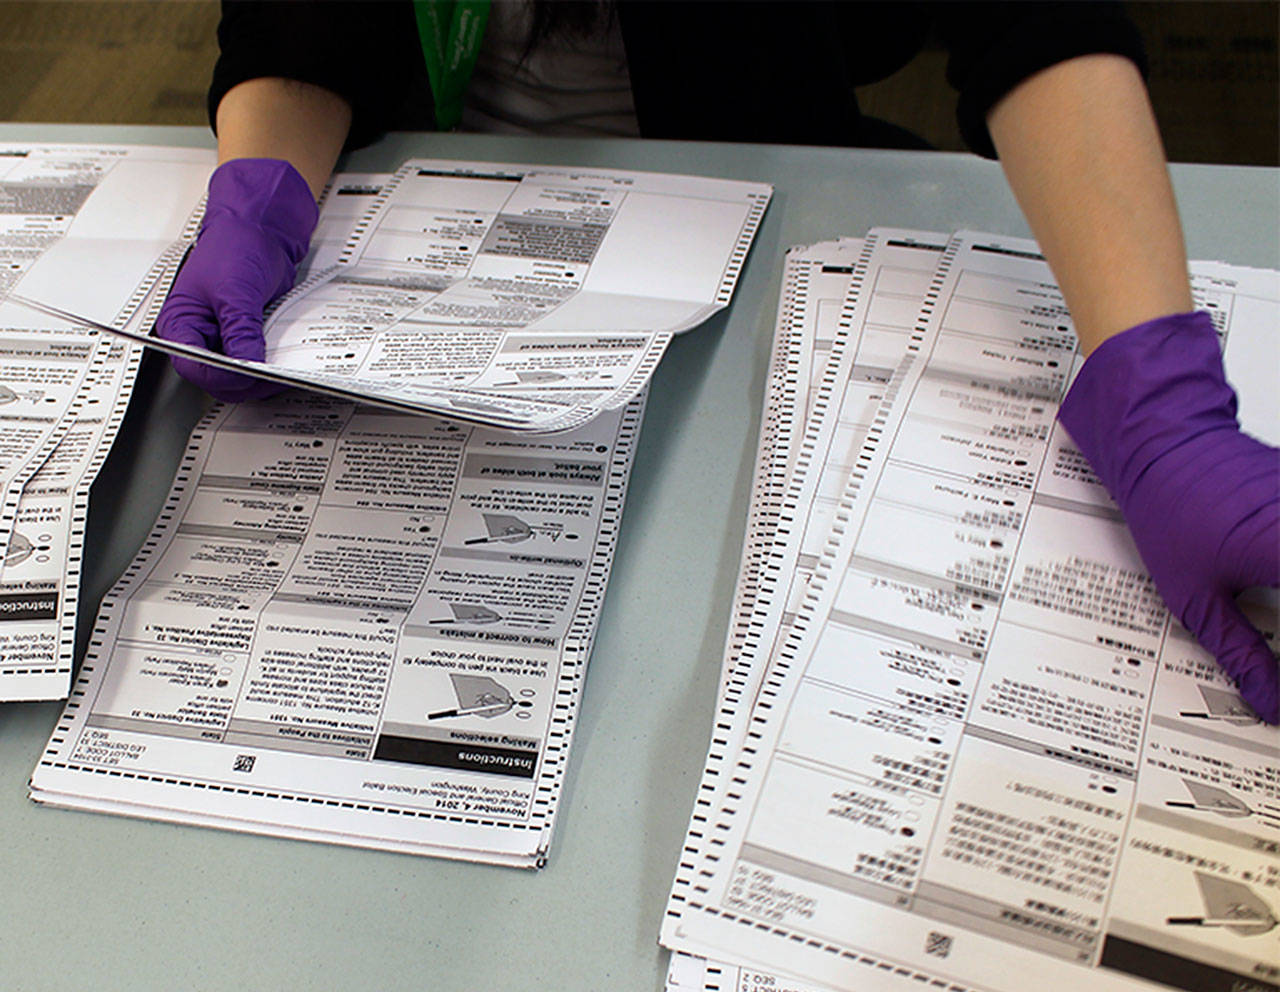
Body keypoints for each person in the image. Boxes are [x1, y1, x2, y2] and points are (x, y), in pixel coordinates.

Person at [155, 1, 1279, 722]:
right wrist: (258, 190)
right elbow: (295, 26)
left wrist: (1156, 389)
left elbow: (1038, 21)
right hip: (434, 196)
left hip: (751, 184)